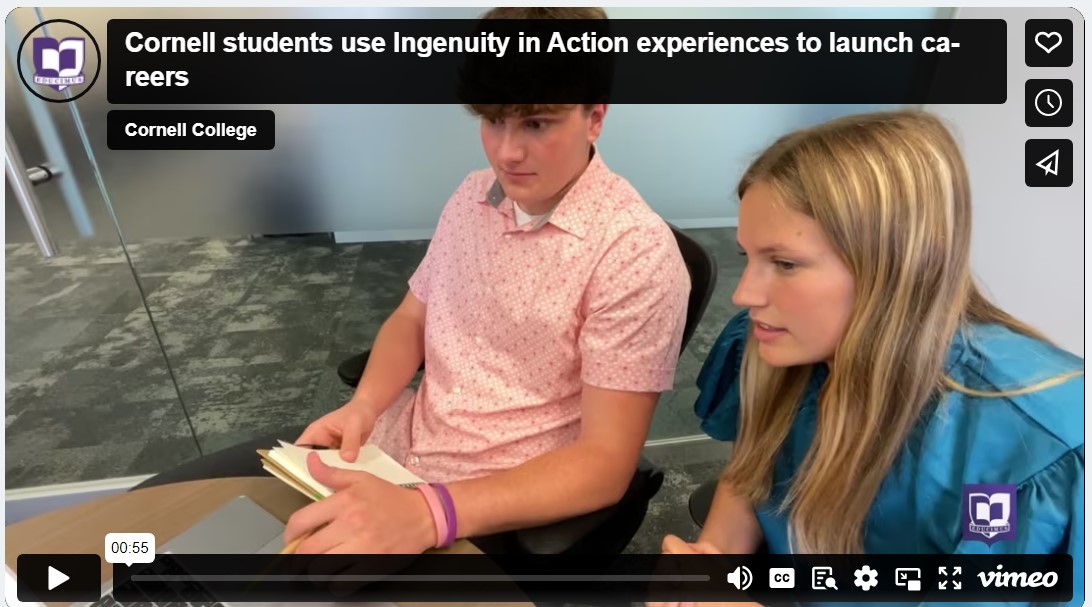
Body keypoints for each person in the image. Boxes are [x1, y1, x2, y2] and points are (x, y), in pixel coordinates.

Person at [285, 7, 690, 556]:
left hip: (494, 501)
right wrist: (365, 407)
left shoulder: (632, 252)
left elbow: (603, 465)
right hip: (399, 450)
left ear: (595, 117)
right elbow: (412, 316)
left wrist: (429, 513)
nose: (507, 152)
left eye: (536, 123)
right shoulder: (474, 195)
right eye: (494, 120)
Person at [654, 110, 1083, 607]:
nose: (744, 294)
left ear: (894, 265)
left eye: (786, 264)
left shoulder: (1029, 453)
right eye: (748, 256)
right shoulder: (782, 339)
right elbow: (751, 475)